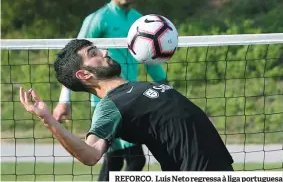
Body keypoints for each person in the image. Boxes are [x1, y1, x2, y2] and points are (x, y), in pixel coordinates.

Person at [20, 39, 234, 171]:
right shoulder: (110, 106)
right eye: (93, 54)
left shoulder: (135, 86)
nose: (104, 52)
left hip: (220, 169)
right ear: (84, 74)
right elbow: (91, 154)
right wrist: (48, 120)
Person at [52, 0, 167, 180]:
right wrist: (63, 101)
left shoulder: (139, 21)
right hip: (108, 101)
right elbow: (72, 61)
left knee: (115, 160)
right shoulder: (97, 19)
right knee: (135, 159)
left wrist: (165, 84)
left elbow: (148, 59)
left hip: (133, 99)